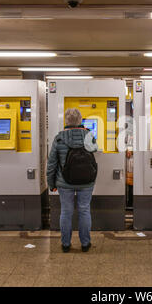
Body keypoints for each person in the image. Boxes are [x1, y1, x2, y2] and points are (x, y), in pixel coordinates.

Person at [47, 108, 98, 253]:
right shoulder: (88, 135)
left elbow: (51, 164)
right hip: (86, 181)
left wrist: (51, 184)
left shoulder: (58, 138)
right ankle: (85, 244)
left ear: (66, 121)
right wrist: (88, 132)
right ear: (80, 121)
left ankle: (65, 244)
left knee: (66, 211)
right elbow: (95, 149)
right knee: (84, 210)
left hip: (65, 182)